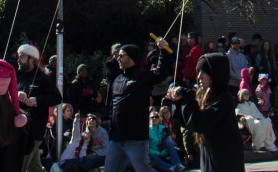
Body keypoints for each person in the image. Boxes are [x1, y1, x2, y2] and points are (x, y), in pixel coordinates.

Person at [168, 52, 244, 172]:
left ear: (215, 75)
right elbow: (187, 122)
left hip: (225, 162)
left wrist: (187, 98)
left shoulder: (224, 99)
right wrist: (177, 102)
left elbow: (200, 123)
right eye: (198, 72)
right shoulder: (206, 98)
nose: (199, 77)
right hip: (210, 158)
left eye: (203, 72)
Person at [103, 38, 169, 172]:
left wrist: (163, 51)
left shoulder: (142, 76)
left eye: (121, 56)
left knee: (143, 169)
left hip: (135, 139)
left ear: (131, 57)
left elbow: (160, 74)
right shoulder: (117, 79)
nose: (118, 58)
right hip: (116, 138)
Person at [16, 44, 62, 172]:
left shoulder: (42, 78)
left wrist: (36, 101)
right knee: (34, 168)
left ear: (32, 59)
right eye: (19, 57)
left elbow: (57, 97)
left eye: (22, 57)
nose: (18, 60)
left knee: (20, 166)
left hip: (35, 129)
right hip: (21, 129)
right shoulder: (19, 77)